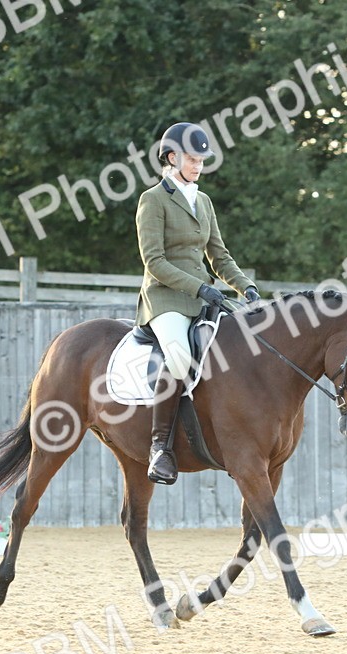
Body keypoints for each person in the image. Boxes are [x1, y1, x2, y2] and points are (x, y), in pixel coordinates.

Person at [134, 122, 260, 485]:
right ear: (172, 158)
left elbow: (218, 255)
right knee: (178, 356)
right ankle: (160, 447)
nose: (198, 165)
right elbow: (154, 261)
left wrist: (245, 287)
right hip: (165, 298)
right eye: (192, 158)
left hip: (202, 297)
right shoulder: (153, 200)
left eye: (202, 159)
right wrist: (199, 288)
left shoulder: (202, 201)